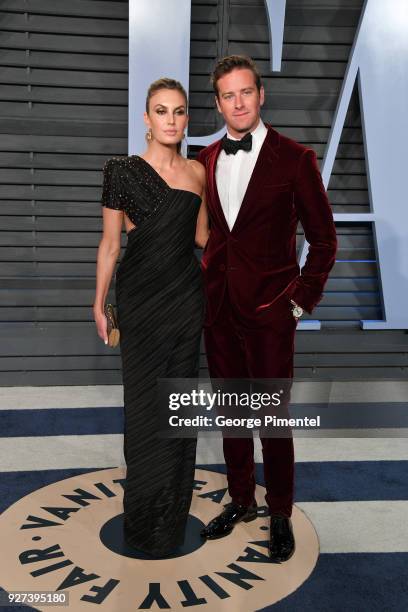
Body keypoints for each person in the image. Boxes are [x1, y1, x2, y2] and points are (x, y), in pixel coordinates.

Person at [196, 55, 337, 562]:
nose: (238, 103)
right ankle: (240, 499)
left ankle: (279, 511)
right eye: (228, 96)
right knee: (233, 414)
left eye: (246, 93)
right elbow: (211, 235)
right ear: (218, 103)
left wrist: (299, 300)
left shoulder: (295, 158)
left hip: (272, 310)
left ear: (261, 96)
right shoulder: (208, 157)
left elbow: (324, 240)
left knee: (273, 418)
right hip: (219, 310)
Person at [93, 78, 209, 556]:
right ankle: (144, 517)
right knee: (144, 409)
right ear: (146, 119)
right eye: (162, 111)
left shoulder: (199, 173)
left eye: (179, 112)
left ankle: (172, 513)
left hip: (185, 301)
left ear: (186, 118)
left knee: (177, 407)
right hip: (140, 302)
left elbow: (202, 239)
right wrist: (98, 303)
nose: (171, 121)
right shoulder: (121, 170)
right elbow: (110, 243)